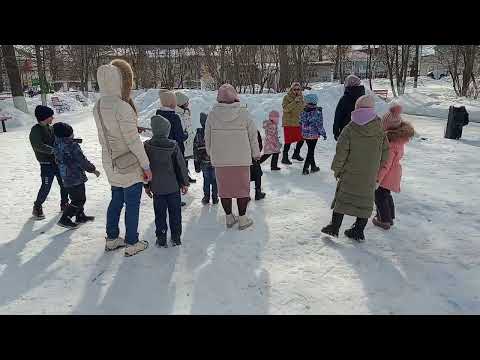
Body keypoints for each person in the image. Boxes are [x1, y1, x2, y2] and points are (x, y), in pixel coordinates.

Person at [93, 59, 151, 257]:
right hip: (128, 163)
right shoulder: (122, 106)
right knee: (132, 203)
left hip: (110, 162)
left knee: (116, 199)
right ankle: (133, 242)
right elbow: (134, 142)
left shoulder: (98, 105)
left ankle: (111, 239)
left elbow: (109, 133)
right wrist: (146, 165)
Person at [321, 95, 389, 242]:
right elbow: (385, 153)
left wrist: (337, 169)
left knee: (342, 198)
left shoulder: (350, 128)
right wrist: (378, 172)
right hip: (369, 175)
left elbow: (341, 152)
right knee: (365, 202)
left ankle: (334, 227)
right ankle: (358, 230)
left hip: (350, 173)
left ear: (357, 108)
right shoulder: (379, 129)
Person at [205, 84, 260, 230]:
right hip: (241, 159)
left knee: (224, 191)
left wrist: (211, 153)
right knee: (242, 189)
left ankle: (229, 218)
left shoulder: (212, 114)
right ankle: (242, 219)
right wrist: (256, 153)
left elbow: (207, 137)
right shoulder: (244, 112)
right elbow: (253, 135)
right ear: (235, 96)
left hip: (221, 159)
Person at [144, 115, 190, 247]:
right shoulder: (173, 146)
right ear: (166, 131)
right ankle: (176, 237)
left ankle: (161, 237)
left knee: (159, 214)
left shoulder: (147, 146)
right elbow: (180, 166)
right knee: (175, 213)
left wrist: (146, 185)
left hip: (157, 188)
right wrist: (184, 183)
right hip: (173, 187)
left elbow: (145, 168)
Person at [373, 103, 414, 230]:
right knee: (386, 195)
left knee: (379, 196)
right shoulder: (399, 138)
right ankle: (390, 216)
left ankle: (384, 220)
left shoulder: (390, 143)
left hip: (387, 174)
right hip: (394, 173)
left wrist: (377, 180)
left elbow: (386, 164)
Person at [52, 122, 100, 229]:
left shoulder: (56, 144)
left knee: (77, 197)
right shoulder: (72, 146)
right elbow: (82, 161)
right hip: (75, 177)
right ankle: (65, 219)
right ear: (68, 135)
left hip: (65, 176)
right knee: (78, 199)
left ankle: (80, 215)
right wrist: (93, 169)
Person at [30, 105, 69, 220]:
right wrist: (53, 150)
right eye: (51, 116)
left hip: (56, 162)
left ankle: (64, 204)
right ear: (45, 117)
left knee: (64, 183)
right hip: (46, 164)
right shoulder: (35, 130)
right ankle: (37, 206)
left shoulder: (50, 128)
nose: (53, 118)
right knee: (46, 185)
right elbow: (38, 145)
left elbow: (56, 140)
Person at [156, 90, 188, 206]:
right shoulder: (174, 117)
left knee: (163, 174)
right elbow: (179, 136)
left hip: (159, 150)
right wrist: (186, 135)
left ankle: (162, 199)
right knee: (175, 174)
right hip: (174, 150)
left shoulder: (157, 115)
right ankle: (175, 200)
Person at [193, 112, 218, 205]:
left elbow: (195, 149)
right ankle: (215, 198)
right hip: (214, 161)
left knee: (206, 180)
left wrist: (196, 164)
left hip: (203, 162)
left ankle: (206, 197)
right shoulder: (214, 132)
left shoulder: (198, 133)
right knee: (215, 180)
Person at [299, 93, 327, 175]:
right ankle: (305, 168)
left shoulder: (303, 111)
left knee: (310, 150)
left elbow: (300, 122)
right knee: (311, 151)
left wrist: (303, 131)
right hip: (314, 135)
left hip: (305, 135)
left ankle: (313, 166)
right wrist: (323, 133)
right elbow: (319, 125)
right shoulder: (317, 112)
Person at [333, 74, 365, 141]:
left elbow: (338, 117)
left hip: (346, 132)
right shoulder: (364, 98)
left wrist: (336, 132)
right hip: (362, 132)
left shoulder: (344, 99)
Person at [281, 82, 305, 164]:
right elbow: (285, 109)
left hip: (299, 123)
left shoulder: (301, 97)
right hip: (289, 123)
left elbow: (303, 108)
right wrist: (295, 101)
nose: (296, 91)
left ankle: (296, 154)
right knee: (288, 141)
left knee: (302, 139)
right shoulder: (286, 97)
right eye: (294, 89)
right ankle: (284, 158)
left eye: (298, 89)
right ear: (291, 89)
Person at [175, 91, 196, 183]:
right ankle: (182, 178)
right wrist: (186, 135)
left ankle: (186, 176)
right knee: (181, 161)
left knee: (185, 160)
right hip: (183, 140)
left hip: (188, 140)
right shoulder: (178, 114)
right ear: (181, 103)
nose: (188, 104)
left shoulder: (185, 112)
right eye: (186, 102)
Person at [250, 131, 266, 200]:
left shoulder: (238, 130)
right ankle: (258, 193)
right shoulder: (254, 130)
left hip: (243, 158)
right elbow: (260, 146)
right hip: (253, 157)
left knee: (245, 175)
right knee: (257, 174)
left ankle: (245, 195)